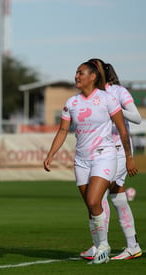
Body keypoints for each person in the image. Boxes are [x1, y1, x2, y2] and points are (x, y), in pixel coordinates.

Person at [43, 59, 138, 264]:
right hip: (81, 160)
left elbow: (122, 130)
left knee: (95, 200)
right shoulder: (71, 103)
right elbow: (62, 131)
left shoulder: (107, 99)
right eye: (76, 73)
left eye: (80, 73)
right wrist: (51, 154)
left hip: (105, 156)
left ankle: (103, 246)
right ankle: (99, 246)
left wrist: (129, 158)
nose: (76, 76)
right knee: (91, 205)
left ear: (92, 76)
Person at [79, 59, 142, 260]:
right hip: (99, 152)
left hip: (118, 151)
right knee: (116, 196)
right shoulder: (90, 96)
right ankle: (130, 245)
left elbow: (137, 117)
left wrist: (113, 108)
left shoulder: (117, 92)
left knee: (101, 196)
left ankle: (102, 245)